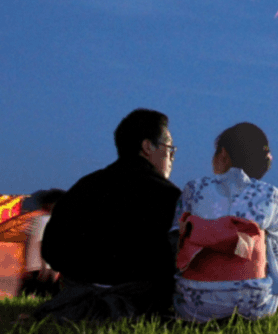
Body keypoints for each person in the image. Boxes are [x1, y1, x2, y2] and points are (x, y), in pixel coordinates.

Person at [35, 109, 181, 322]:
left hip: (78, 296)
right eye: (170, 150)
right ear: (147, 147)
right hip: (143, 300)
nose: (171, 158)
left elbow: (51, 248)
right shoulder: (170, 196)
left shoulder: (83, 188)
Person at [171, 122, 278, 323]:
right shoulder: (271, 195)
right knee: (270, 240)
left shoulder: (194, 188)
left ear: (224, 154)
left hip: (196, 302)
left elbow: (177, 237)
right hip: (252, 302)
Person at [20, 189, 66, 297]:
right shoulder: (46, 220)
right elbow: (44, 246)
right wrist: (46, 271)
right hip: (44, 270)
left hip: (37, 268)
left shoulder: (39, 219)